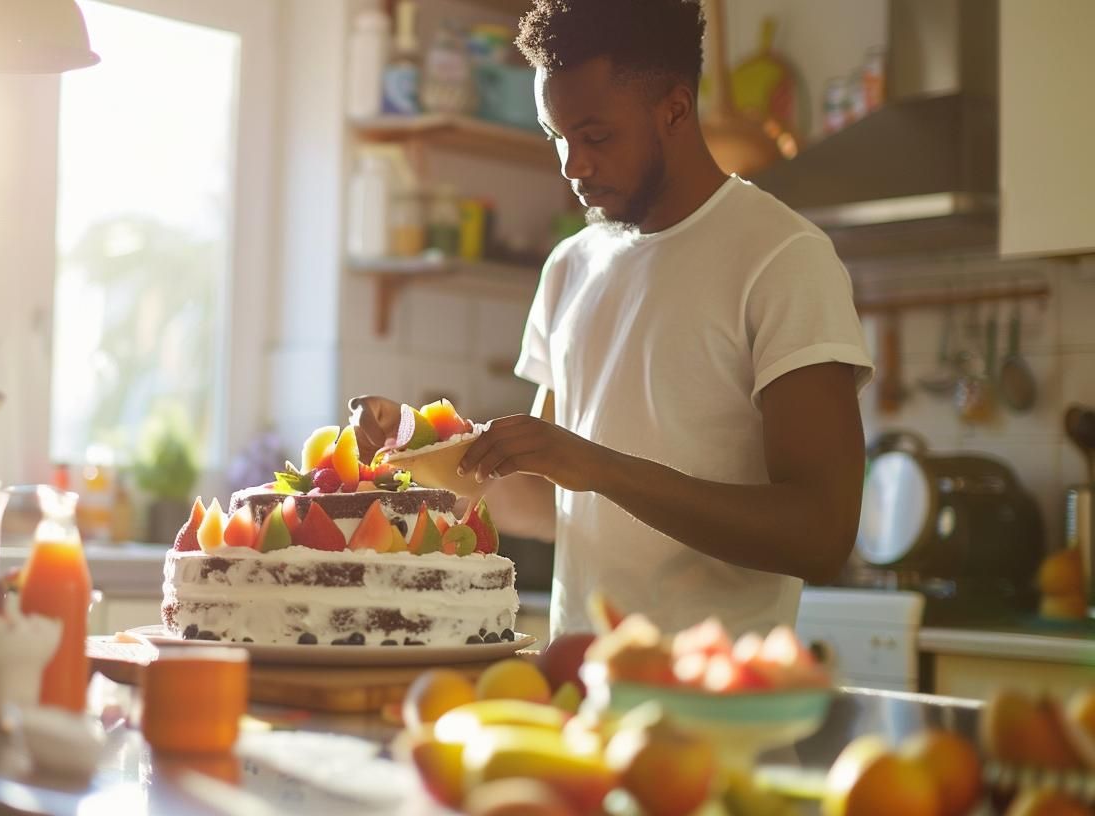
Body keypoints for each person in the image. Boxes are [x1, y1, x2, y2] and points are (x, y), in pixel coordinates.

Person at [351, 0, 873, 639]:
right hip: (582, 690)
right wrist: (417, 453)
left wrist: (600, 467)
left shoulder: (784, 259)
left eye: (595, 137)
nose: (572, 166)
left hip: (717, 710)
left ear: (675, 109)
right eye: (557, 138)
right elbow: (550, 498)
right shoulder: (570, 266)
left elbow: (821, 535)